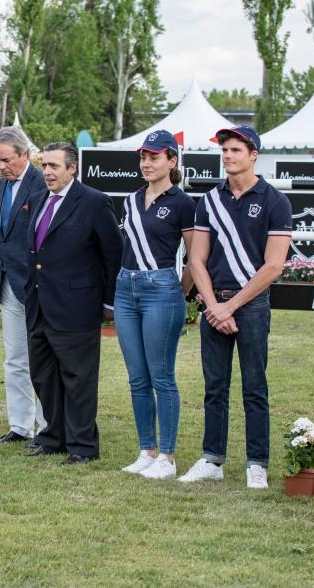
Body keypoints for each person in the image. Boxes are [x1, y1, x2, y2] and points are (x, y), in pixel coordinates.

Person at [179, 125, 292, 490]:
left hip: (251, 305)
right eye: (224, 151)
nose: (227, 156)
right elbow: (197, 260)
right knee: (215, 386)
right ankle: (212, 459)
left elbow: (273, 266)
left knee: (254, 387)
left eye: (235, 151)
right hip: (215, 303)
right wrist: (214, 306)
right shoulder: (209, 201)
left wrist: (232, 307)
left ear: (253, 155)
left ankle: (256, 463)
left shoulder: (275, 201)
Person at [25, 142, 123, 464]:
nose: (48, 172)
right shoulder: (39, 199)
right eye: (44, 166)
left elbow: (112, 255)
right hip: (39, 305)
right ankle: (53, 437)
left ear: (72, 169)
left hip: (77, 306)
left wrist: (108, 302)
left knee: (78, 379)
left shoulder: (95, 202)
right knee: (44, 376)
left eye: (54, 166)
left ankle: (82, 446)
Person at [115, 131, 196, 480]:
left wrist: (178, 291)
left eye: (154, 157)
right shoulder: (131, 200)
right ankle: (146, 449)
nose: (146, 164)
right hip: (124, 287)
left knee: (162, 376)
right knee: (137, 377)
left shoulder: (182, 202)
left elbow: (196, 256)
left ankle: (167, 455)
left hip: (161, 288)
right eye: (143, 158)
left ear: (172, 161)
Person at [0, 126, 47, 445]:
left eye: (5, 160)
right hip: (9, 283)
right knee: (14, 357)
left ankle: (49, 424)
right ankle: (20, 425)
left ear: (25, 155)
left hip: (40, 285)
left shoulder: (44, 184)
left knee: (44, 356)